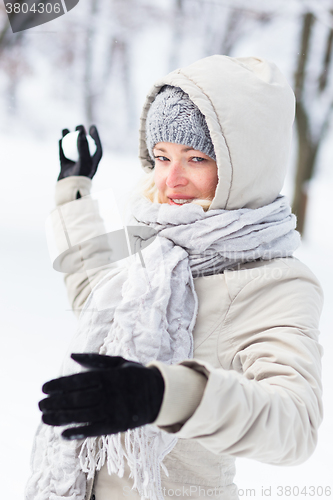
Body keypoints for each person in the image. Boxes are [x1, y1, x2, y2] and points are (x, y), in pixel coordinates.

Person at [26, 55, 324, 500]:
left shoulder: (274, 282)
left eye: (197, 158)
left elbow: (294, 423)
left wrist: (167, 395)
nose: (171, 180)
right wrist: (74, 193)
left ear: (245, 166)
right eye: (162, 157)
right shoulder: (155, 237)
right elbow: (93, 293)